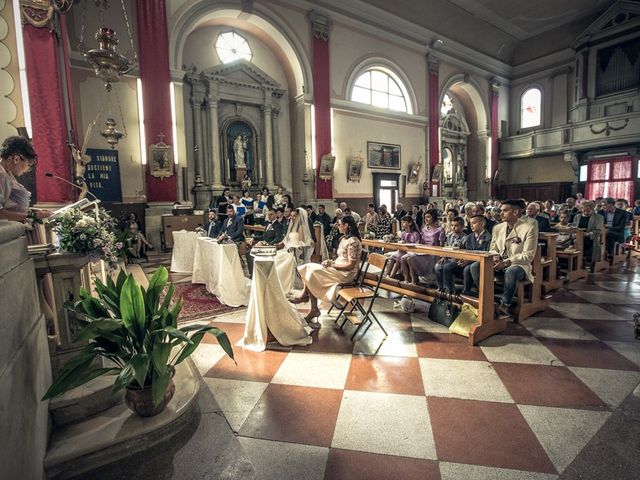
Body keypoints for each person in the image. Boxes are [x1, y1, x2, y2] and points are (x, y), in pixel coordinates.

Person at [291, 215, 362, 324]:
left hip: (345, 274)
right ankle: (307, 299)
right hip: (338, 269)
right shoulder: (344, 239)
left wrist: (332, 265)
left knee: (312, 271)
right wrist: (331, 262)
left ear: (346, 226)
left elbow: (350, 266)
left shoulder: (354, 241)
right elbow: (341, 259)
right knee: (308, 266)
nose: (338, 226)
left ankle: (310, 304)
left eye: (340, 224)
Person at [474, 199, 537, 316]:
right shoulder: (498, 227)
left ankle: (505, 304)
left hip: (519, 264)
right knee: (475, 266)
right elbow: (493, 248)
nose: (500, 213)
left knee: (511, 272)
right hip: (499, 261)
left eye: (505, 211)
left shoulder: (529, 226)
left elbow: (528, 255)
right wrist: (495, 258)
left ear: (515, 212)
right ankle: (487, 298)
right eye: (501, 210)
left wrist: (507, 262)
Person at [0, 136, 52, 222]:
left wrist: (34, 212)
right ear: (16, 159)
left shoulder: (7, 173)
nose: (27, 170)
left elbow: (11, 208)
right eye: (28, 164)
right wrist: (32, 215)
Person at [402, 209, 445, 284]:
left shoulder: (440, 229)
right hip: (424, 251)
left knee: (410, 258)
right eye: (425, 217)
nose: (426, 219)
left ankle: (415, 281)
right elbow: (421, 243)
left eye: (428, 217)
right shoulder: (424, 229)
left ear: (434, 218)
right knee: (405, 258)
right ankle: (412, 280)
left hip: (434, 254)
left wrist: (442, 256)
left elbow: (442, 245)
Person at [245, 207, 285, 275]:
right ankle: (253, 273)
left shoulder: (279, 225)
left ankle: (259, 273)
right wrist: (254, 238)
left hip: (271, 247)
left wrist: (267, 244)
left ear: (276, 215)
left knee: (251, 253)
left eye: (271, 214)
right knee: (248, 251)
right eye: (268, 214)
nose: (269, 216)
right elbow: (264, 236)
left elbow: (278, 238)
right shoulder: (267, 224)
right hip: (264, 245)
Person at [460, 215, 492, 295]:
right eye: (470, 223)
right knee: (448, 266)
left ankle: (482, 292)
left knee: (468, 268)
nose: (471, 226)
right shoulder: (469, 236)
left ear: (482, 224)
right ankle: (460, 291)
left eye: (474, 223)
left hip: (482, 261)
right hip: (469, 260)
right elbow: (466, 250)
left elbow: (487, 252)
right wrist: (462, 259)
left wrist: (469, 260)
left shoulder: (488, 237)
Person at [434, 216, 466, 292]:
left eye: (456, 226)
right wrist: (444, 257)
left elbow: (465, 253)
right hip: (448, 258)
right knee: (437, 266)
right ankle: (440, 287)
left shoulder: (465, 238)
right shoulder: (450, 236)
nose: (453, 227)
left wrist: (456, 258)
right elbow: (446, 248)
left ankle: (449, 289)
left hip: (458, 260)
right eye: (452, 225)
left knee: (447, 267)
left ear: (462, 226)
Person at [386, 215, 421, 279]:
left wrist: (406, 245)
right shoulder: (403, 233)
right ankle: (387, 274)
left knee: (399, 258)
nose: (402, 224)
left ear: (410, 223)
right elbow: (401, 243)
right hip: (402, 251)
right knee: (392, 257)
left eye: (404, 222)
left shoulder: (415, 234)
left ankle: (396, 276)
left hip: (411, 252)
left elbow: (417, 245)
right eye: (401, 222)